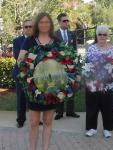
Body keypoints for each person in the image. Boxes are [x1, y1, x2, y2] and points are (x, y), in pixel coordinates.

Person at [17, 12, 62, 150]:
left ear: (50, 24)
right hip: (34, 88)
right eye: (41, 22)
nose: (44, 24)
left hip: (51, 87)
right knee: (34, 123)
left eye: (46, 22)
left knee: (48, 121)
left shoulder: (56, 40)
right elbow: (20, 60)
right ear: (38, 24)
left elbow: (65, 60)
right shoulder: (30, 40)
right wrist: (28, 70)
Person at [84, 25, 113, 138]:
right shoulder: (91, 48)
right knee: (92, 105)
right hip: (93, 82)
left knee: (108, 106)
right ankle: (92, 128)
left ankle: (107, 129)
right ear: (97, 35)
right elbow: (86, 62)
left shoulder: (112, 48)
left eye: (104, 34)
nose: (102, 36)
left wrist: (112, 66)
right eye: (100, 34)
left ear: (107, 36)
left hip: (109, 83)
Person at [54, 13, 80, 120]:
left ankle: (70, 111)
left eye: (67, 20)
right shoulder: (54, 35)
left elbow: (74, 49)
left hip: (71, 65)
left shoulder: (72, 34)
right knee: (60, 87)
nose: (66, 22)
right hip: (59, 65)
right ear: (59, 22)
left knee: (71, 86)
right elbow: (53, 50)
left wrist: (75, 60)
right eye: (64, 21)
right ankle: (59, 112)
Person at [13, 19, 33, 128]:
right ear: (23, 29)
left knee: (34, 97)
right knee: (21, 97)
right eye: (26, 27)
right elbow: (17, 56)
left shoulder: (37, 40)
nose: (29, 28)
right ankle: (20, 120)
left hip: (34, 74)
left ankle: (35, 119)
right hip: (20, 73)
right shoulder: (17, 41)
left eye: (30, 26)